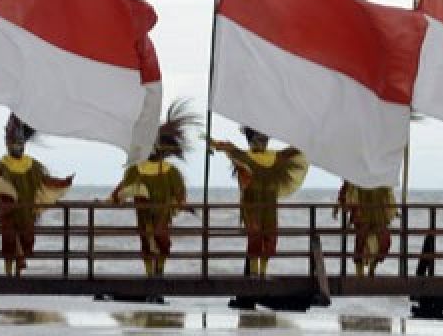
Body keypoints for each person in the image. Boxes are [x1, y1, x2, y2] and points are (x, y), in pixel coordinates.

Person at [0, 114, 73, 277]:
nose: (18, 147)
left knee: (27, 238)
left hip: (26, 211)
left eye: (20, 144)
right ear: (8, 144)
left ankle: (18, 274)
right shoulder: (0, 165)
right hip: (8, 210)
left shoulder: (32, 164)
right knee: (9, 240)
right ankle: (8, 273)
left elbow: (45, 181)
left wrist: (62, 182)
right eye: (15, 144)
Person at [111, 99, 200, 277]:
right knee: (146, 242)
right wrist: (112, 199)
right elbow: (123, 188)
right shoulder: (136, 169)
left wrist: (183, 203)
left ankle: (158, 274)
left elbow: (179, 193)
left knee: (163, 243)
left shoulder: (170, 171)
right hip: (144, 217)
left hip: (162, 216)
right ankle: (150, 275)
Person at [212, 127, 308, 278]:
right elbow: (228, 148)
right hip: (251, 205)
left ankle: (263, 272)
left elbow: (295, 151)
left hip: (269, 206)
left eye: (264, 139)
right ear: (250, 140)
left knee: (270, 237)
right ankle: (255, 273)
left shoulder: (275, 157)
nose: (261, 143)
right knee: (254, 236)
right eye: (258, 139)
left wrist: (308, 139)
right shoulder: (244, 156)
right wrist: (213, 144)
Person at [334, 182, 397, 277]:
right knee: (361, 243)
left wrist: (393, 209)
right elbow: (346, 191)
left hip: (379, 215)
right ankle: (360, 274)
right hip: (362, 215)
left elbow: (388, 195)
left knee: (383, 242)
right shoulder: (355, 176)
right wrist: (339, 205)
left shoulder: (382, 179)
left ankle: (371, 269)